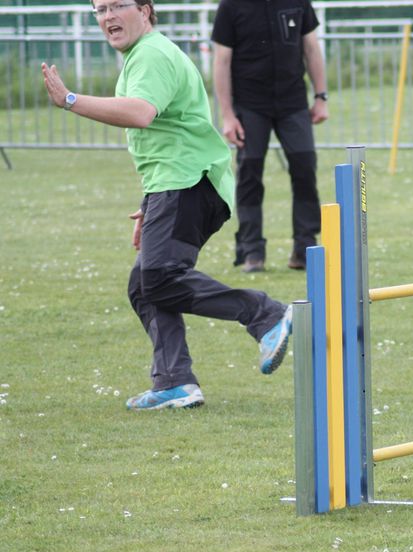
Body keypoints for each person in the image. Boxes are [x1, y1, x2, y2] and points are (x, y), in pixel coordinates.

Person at [42, 0, 292, 411]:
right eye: (99, 9)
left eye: (117, 5)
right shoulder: (143, 55)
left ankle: (264, 314)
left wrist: (71, 99)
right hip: (177, 185)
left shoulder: (152, 55)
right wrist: (150, 204)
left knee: (157, 277)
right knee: (145, 283)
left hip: (187, 183)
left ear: (145, 9)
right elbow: (165, 133)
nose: (108, 17)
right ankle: (174, 381)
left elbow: (141, 114)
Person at [211, 0, 328, 273]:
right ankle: (252, 250)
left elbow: (311, 48)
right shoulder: (230, 6)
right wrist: (227, 115)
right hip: (250, 105)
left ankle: (304, 247)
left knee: (305, 170)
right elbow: (221, 61)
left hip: (293, 102)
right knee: (250, 174)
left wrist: (321, 97)